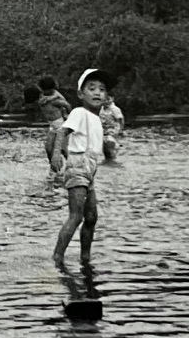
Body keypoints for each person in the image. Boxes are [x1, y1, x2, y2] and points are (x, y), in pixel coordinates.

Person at [50, 68, 110, 266]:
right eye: (91, 88)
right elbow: (61, 132)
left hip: (90, 170)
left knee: (91, 217)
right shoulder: (79, 112)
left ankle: (85, 258)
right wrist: (57, 154)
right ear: (80, 94)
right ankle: (57, 257)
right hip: (77, 166)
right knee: (76, 215)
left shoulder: (97, 119)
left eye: (101, 89)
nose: (97, 93)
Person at [35, 76, 72, 162]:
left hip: (61, 125)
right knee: (49, 149)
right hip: (52, 126)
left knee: (63, 149)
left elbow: (67, 105)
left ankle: (73, 167)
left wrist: (69, 117)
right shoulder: (43, 96)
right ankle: (55, 168)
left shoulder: (56, 98)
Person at [99, 90, 125, 162]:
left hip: (112, 133)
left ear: (111, 99)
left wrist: (120, 130)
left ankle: (113, 162)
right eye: (104, 99)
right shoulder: (101, 109)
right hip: (103, 132)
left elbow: (120, 120)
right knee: (106, 152)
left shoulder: (115, 109)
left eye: (108, 99)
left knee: (110, 149)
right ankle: (109, 162)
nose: (105, 101)